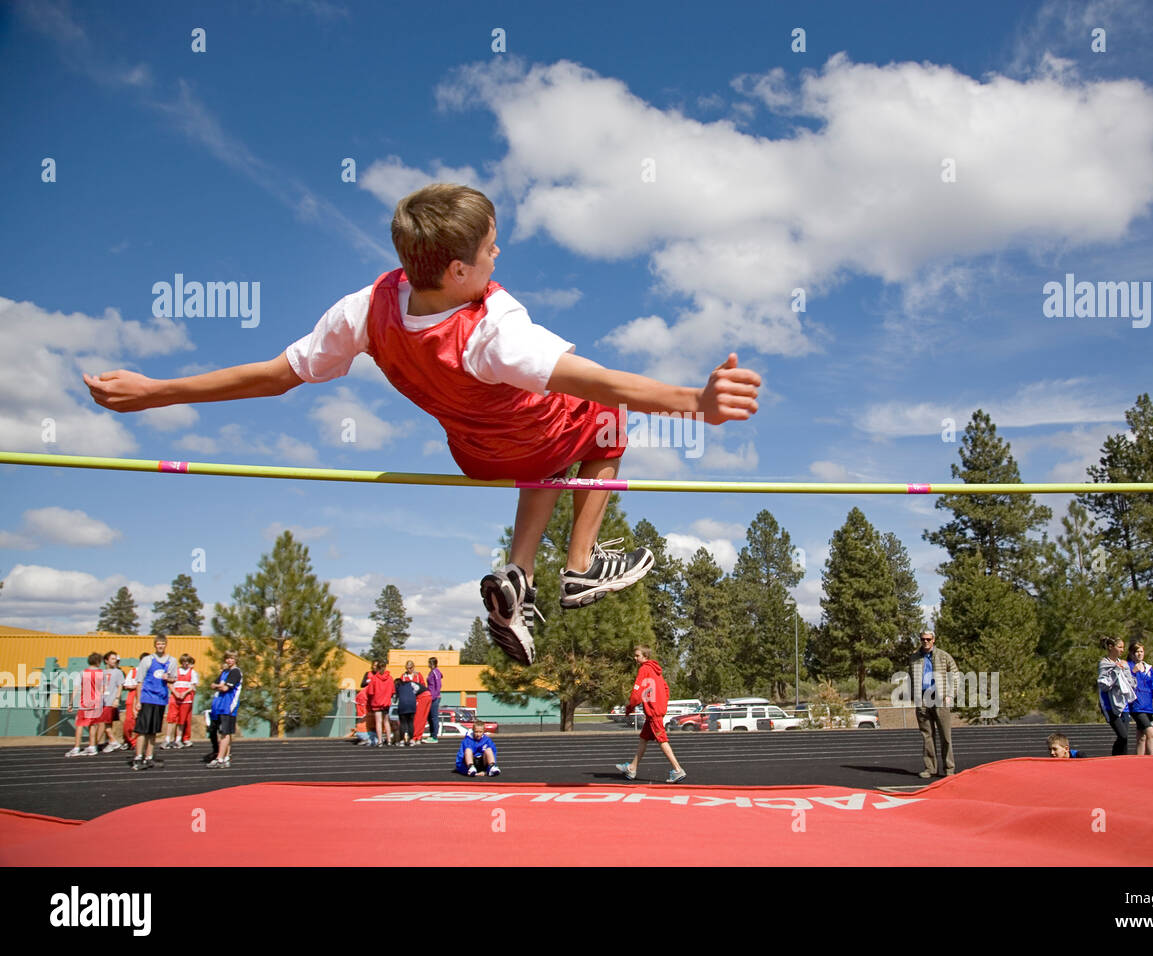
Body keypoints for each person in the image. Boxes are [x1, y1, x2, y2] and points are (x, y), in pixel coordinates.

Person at [83, 184, 762, 668]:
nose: (501, 257)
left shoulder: (364, 309)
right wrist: (694, 404)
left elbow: (275, 375)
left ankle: (519, 575)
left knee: (549, 452)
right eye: (493, 250)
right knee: (606, 425)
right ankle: (579, 567)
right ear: (460, 268)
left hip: (476, 451)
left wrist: (157, 391)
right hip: (532, 431)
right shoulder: (496, 331)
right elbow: (606, 386)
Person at [615, 645, 686, 783]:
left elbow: (637, 693)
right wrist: (662, 704)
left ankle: (678, 770)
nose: (635, 658)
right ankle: (632, 768)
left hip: (653, 712)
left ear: (645, 656)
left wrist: (630, 707)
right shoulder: (656, 670)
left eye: (637, 656)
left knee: (662, 740)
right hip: (655, 710)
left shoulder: (644, 669)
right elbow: (666, 688)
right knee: (643, 739)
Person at [907, 631, 961, 778]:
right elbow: (910, 677)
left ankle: (949, 769)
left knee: (945, 736)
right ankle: (930, 768)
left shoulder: (943, 656)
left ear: (933, 640)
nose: (925, 642)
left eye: (928, 639)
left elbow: (956, 675)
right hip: (923, 699)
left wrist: (950, 694)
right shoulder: (914, 658)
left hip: (940, 699)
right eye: (923, 639)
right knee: (927, 736)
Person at [131, 636, 179, 771]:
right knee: (142, 730)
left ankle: (149, 756)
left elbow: (173, 679)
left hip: (160, 699)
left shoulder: (172, 661)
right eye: (158, 644)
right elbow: (139, 681)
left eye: (163, 644)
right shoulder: (147, 660)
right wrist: (138, 701)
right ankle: (138, 757)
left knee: (153, 731)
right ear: (155, 645)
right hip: (147, 698)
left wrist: (168, 678)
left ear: (166, 645)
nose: (160, 646)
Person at [1126, 641, 1153, 756]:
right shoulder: (1128, 666)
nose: (1139, 654)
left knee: (1142, 737)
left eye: (1141, 651)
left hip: (1147, 707)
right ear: (1131, 653)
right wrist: (1133, 672)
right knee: (1151, 734)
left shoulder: (1148, 669)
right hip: (1136, 706)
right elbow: (1124, 684)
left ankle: (1139, 761)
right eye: (1137, 652)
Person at [1098, 636, 1137, 757]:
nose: (1122, 650)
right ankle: (1115, 758)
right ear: (1111, 647)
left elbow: (1131, 683)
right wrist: (1116, 669)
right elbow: (1105, 685)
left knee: (1125, 738)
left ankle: (1123, 759)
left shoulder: (1123, 663)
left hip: (1123, 704)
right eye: (1119, 647)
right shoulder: (1104, 663)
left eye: (1123, 647)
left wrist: (1129, 671)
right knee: (1122, 735)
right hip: (1110, 705)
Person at [208, 652, 242, 769]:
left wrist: (219, 686)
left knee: (225, 733)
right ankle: (225, 756)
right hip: (219, 706)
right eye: (227, 658)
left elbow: (225, 688)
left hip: (229, 706)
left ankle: (220, 758)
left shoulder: (235, 672)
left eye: (232, 658)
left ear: (235, 659)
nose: (229, 660)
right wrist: (219, 685)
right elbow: (213, 684)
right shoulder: (224, 672)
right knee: (221, 732)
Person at [67, 653, 105, 757]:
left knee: (80, 725)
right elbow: (102, 689)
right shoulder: (101, 673)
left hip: (85, 703)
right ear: (98, 662)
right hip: (96, 703)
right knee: (93, 725)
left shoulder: (82, 673)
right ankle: (92, 746)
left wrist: (70, 703)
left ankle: (76, 747)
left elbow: (76, 689)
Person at [162, 654, 198, 749]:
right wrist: (175, 692)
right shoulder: (175, 671)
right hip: (175, 698)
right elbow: (169, 683)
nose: (185, 663)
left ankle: (178, 739)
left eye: (187, 661)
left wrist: (184, 693)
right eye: (183, 661)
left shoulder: (192, 672)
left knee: (182, 720)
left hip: (186, 699)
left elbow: (193, 686)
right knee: (171, 719)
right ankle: (167, 739)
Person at [99, 650, 127, 753]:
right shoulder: (102, 672)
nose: (114, 661)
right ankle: (110, 742)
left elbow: (120, 686)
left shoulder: (118, 672)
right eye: (112, 659)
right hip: (102, 701)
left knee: (106, 724)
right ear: (106, 661)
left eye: (115, 659)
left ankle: (114, 742)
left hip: (110, 701)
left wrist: (117, 699)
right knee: (108, 724)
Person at [394, 660, 425, 746]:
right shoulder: (403, 676)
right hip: (408, 700)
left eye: (411, 668)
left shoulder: (418, 675)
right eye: (407, 668)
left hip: (416, 700)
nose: (409, 670)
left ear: (413, 667)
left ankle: (416, 737)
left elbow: (422, 686)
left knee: (415, 721)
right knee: (405, 722)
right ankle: (404, 739)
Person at [364, 660, 395, 746]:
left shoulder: (374, 678)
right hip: (386, 703)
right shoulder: (390, 678)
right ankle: (389, 740)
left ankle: (380, 741)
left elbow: (370, 692)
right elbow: (393, 691)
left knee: (378, 722)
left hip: (377, 702)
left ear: (377, 668)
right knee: (386, 722)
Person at [425, 656, 443, 744]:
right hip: (430, 697)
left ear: (432, 663)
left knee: (434, 717)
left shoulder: (435, 672)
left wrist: (433, 696)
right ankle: (431, 734)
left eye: (429, 662)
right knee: (429, 717)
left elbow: (438, 685)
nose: (427, 664)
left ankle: (434, 736)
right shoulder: (431, 672)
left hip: (434, 698)